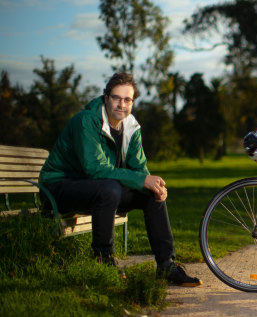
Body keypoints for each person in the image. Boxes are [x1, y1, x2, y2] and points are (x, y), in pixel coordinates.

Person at [39, 72, 202, 287]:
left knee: (149, 195)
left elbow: (138, 166)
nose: (121, 104)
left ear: (132, 102)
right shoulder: (86, 121)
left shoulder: (131, 126)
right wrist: (140, 179)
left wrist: (153, 184)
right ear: (106, 97)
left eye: (127, 100)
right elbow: (94, 169)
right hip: (58, 187)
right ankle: (103, 260)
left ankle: (166, 265)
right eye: (116, 97)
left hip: (95, 187)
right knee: (109, 189)